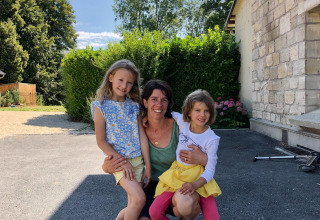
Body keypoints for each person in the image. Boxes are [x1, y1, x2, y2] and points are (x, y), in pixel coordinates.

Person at [102, 80, 210, 220]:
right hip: (150, 186)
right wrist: (106, 167)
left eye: (164, 100)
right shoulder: (135, 128)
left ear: (168, 104)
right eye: (154, 99)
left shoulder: (181, 127)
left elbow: (210, 160)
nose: (159, 104)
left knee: (185, 204)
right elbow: (116, 152)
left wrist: (203, 159)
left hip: (178, 183)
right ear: (145, 102)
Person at [91, 59, 151, 220]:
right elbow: (101, 141)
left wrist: (148, 165)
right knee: (140, 199)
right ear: (111, 77)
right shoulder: (100, 106)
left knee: (134, 204)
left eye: (129, 83)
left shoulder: (134, 106)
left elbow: (142, 137)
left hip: (138, 161)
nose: (124, 86)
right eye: (121, 80)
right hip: (119, 162)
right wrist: (123, 162)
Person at [149, 89, 221, 220]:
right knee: (154, 211)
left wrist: (195, 185)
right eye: (197, 110)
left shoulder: (212, 139)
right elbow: (165, 112)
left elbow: (210, 169)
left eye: (206, 111)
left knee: (213, 218)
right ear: (188, 111)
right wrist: (145, 117)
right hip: (178, 174)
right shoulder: (183, 122)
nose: (202, 115)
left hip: (200, 178)